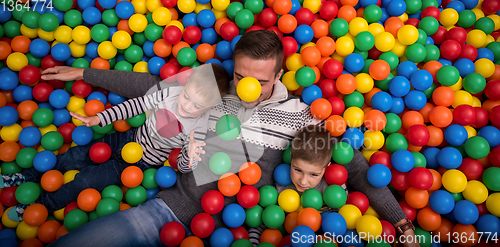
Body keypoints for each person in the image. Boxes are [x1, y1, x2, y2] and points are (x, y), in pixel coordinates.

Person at [43, 30, 419, 247]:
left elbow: (355, 168)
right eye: (242, 77)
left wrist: (400, 223)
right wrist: (82, 73)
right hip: (174, 207)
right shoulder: (217, 89)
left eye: (262, 79)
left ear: (280, 74)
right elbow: (153, 87)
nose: (249, 88)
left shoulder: (302, 115)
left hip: (249, 223)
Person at [1, 64, 229, 222]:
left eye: (197, 106)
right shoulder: (169, 94)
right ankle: (27, 176)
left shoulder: (198, 130)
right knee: (75, 156)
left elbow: (182, 166)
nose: (187, 106)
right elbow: (136, 106)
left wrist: (189, 155)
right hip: (125, 138)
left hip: (137, 164)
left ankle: (40, 205)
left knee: (85, 182)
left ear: (210, 108)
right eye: (186, 96)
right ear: (185, 85)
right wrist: (100, 117)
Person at [248, 125, 349, 246]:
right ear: (291, 158)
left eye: (313, 174)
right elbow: (261, 224)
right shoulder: (281, 190)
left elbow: (344, 221)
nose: (303, 181)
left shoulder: (335, 191)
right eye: (298, 170)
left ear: (326, 167)